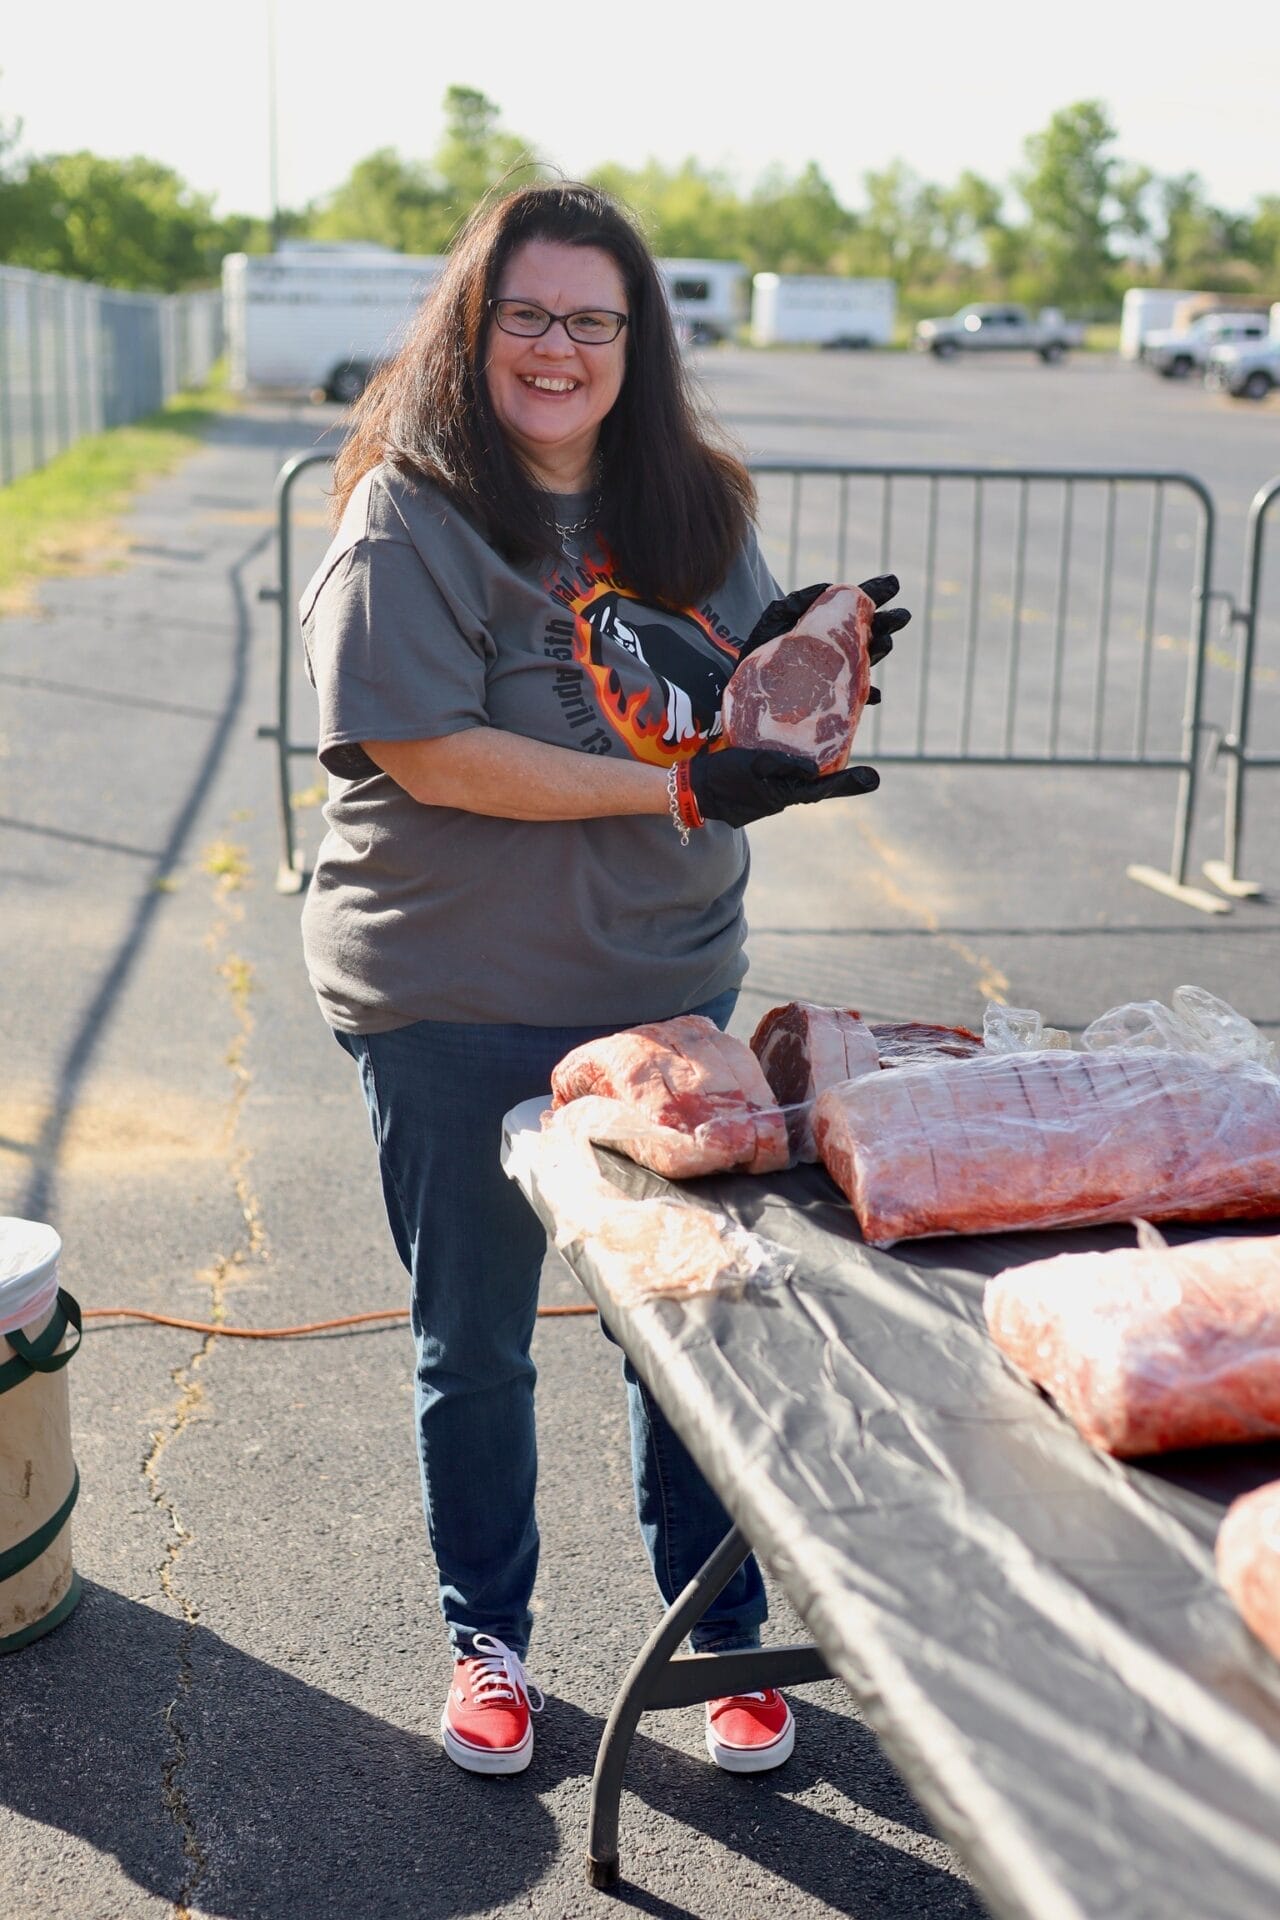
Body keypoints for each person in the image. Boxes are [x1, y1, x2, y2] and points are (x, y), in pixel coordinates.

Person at [298, 181, 908, 1778]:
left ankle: (717, 1635)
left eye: (594, 320)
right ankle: (490, 1640)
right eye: (528, 316)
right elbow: (434, 752)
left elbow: (730, 717)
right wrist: (687, 788)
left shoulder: (692, 499)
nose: (559, 348)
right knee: (475, 1341)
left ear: (637, 343)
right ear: (473, 330)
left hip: (661, 983)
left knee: (684, 1327)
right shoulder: (410, 511)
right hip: (449, 992)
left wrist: (790, 668)